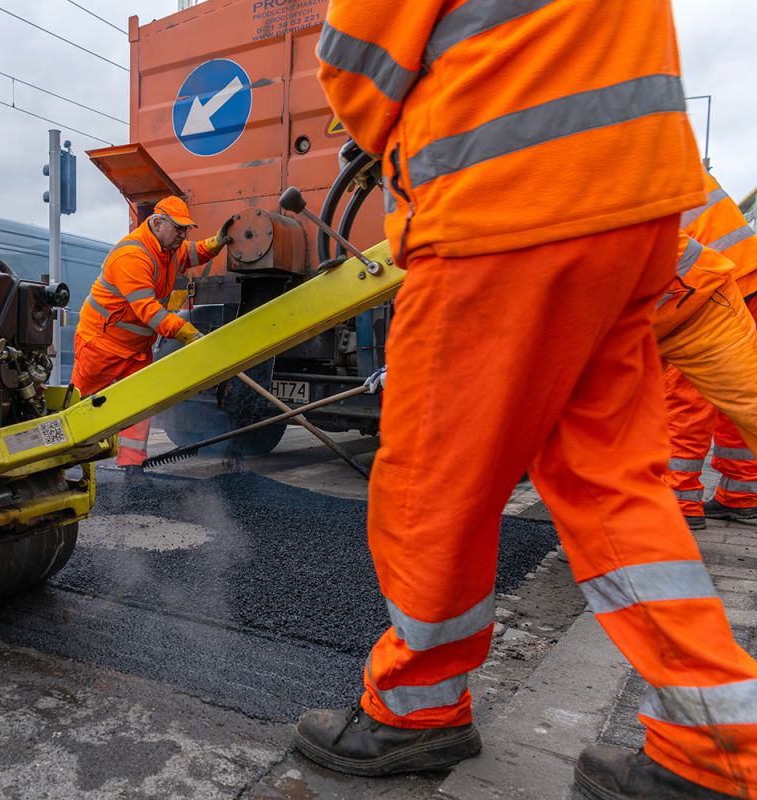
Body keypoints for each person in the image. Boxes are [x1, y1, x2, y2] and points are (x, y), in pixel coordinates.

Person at [300, 1, 757, 798]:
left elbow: (356, 58)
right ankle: (714, 741)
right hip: (641, 211)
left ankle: (415, 711)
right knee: (611, 482)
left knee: (432, 485)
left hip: (502, 202)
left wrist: (389, 137)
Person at [71, 196, 229, 487]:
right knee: (83, 408)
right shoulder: (132, 256)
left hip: (134, 349)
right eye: (178, 229)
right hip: (101, 344)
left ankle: (133, 469)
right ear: (157, 223)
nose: (183, 235)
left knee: (140, 405)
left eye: (186, 230)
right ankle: (67, 464)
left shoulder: (168, 250)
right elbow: (150, 312)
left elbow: (192, 253)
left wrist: (217, 242)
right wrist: (187, 332)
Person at [663, 173, 757, 526]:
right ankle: (742, 494)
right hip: (746, 273)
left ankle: (677, 500)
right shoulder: (666, 153)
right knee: (739, 396)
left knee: (685, 400)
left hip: (709, 289)